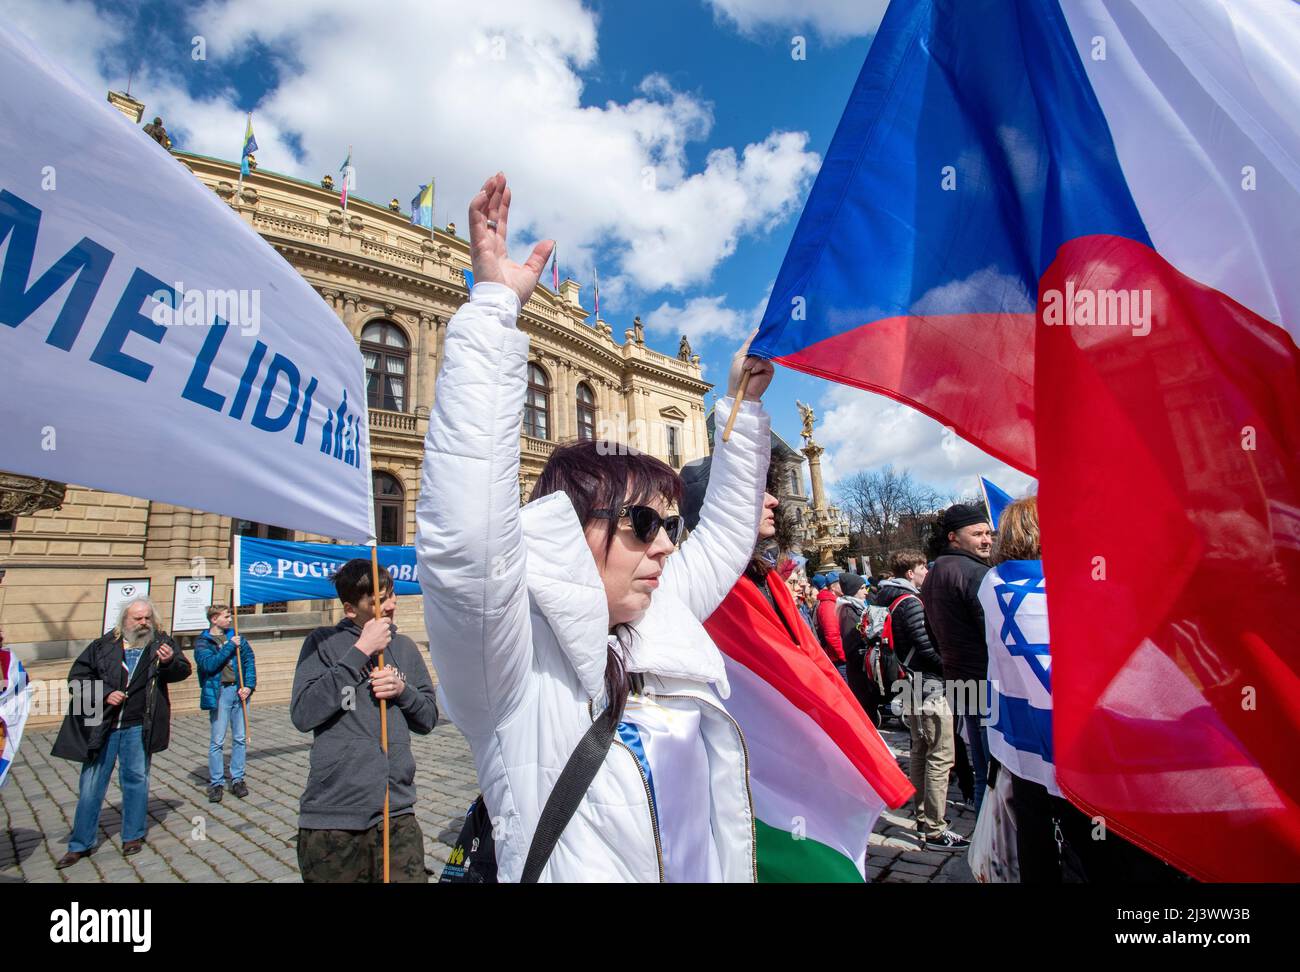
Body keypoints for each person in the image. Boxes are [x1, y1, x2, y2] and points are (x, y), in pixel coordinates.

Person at [416, 172, 775, 882]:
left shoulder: (658, 611)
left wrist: (742, 407)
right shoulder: (510, 664)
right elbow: (466, 545)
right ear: (571, 528)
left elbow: (729, 533)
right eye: (644, 523)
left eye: (671, 523)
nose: (669, 544)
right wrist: (492, 310)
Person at [978, 497, 1185, 882]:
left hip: (1027, 751)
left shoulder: (994, 587)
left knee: (1045, 851)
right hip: (1094, 755)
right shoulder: (1081, 588)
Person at [291, 560, 438, 883]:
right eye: (378, 600)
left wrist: (403, 691)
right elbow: (303, 714)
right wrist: (360, 652)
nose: (391, 605)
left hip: (397, 814)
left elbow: (428, 718)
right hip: (334, 818)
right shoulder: (322, 643)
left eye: (393, 595)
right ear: (350, 609)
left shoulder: (405, 648)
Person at [53, 598, 191, 868]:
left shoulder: (161, 643)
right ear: (124, 620)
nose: (143, 623)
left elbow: (183, 671)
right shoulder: (102, 646)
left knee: (136, 780)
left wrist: (171, 661)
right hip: (103, 726)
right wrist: (105, 694)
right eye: (137, 618)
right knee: (91, 786)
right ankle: (80, 843)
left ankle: (133, 835)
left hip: (140, 724)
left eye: (147, 618)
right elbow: (77, 679)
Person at [879, 550, 968, 849]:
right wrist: (952, 664)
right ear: (910, 573)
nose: (926, 572)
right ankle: (934, 828)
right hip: (928, 686)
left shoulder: (892, 598)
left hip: (912, 685)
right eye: (921, 567)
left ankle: (923, 817)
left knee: (920, 751)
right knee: (940, 756)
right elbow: (927, 649)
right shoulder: (911, 602)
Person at [921, 503, 995, 813]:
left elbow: (931, 632)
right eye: (977, 533)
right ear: (954, 537)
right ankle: (996, 852)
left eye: (988, 533)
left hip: (960, 680)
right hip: (987, 681)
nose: (987, 539)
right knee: (996, 774)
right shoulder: (976, 573)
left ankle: (981, 850)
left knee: (983, 773)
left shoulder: (933, 575)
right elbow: (992, 634)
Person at [194, 605, 256, 803]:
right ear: (214, 619)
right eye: (226, 616)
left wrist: (249, 685)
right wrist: (230, 646)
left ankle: (238, 778)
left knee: (239, 737)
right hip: (220, 692)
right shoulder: (204, 642)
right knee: (218, 740)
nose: (230, 619)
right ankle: (217, 782)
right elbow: (209, 665)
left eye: (230, 616)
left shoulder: (238, 637)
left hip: (239, 690)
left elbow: (249, 662)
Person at [813, 570, 847, 677]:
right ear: (833, 587)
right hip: (838, 660)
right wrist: (843, 657)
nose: (844, 586)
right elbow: (832, 636)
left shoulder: (833, 602)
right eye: (841, 584)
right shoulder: (828, 605)